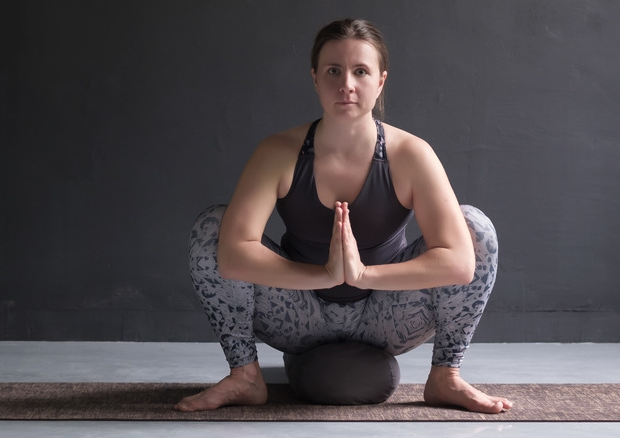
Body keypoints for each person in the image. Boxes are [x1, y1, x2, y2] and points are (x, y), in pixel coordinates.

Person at [175, 18, 512, 414]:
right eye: (333, 71)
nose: (346, 84)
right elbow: (232, 255)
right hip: (298, 313)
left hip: (386, 314)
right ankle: (244, 375)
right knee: (214, 228)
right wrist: (325, 275)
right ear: (315, 77)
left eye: (360, 71)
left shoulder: (411, 154)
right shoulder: (278, 151)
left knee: (475, 228)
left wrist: (363, 275)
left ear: (380, 81)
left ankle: (446, 377)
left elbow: (459, 262)